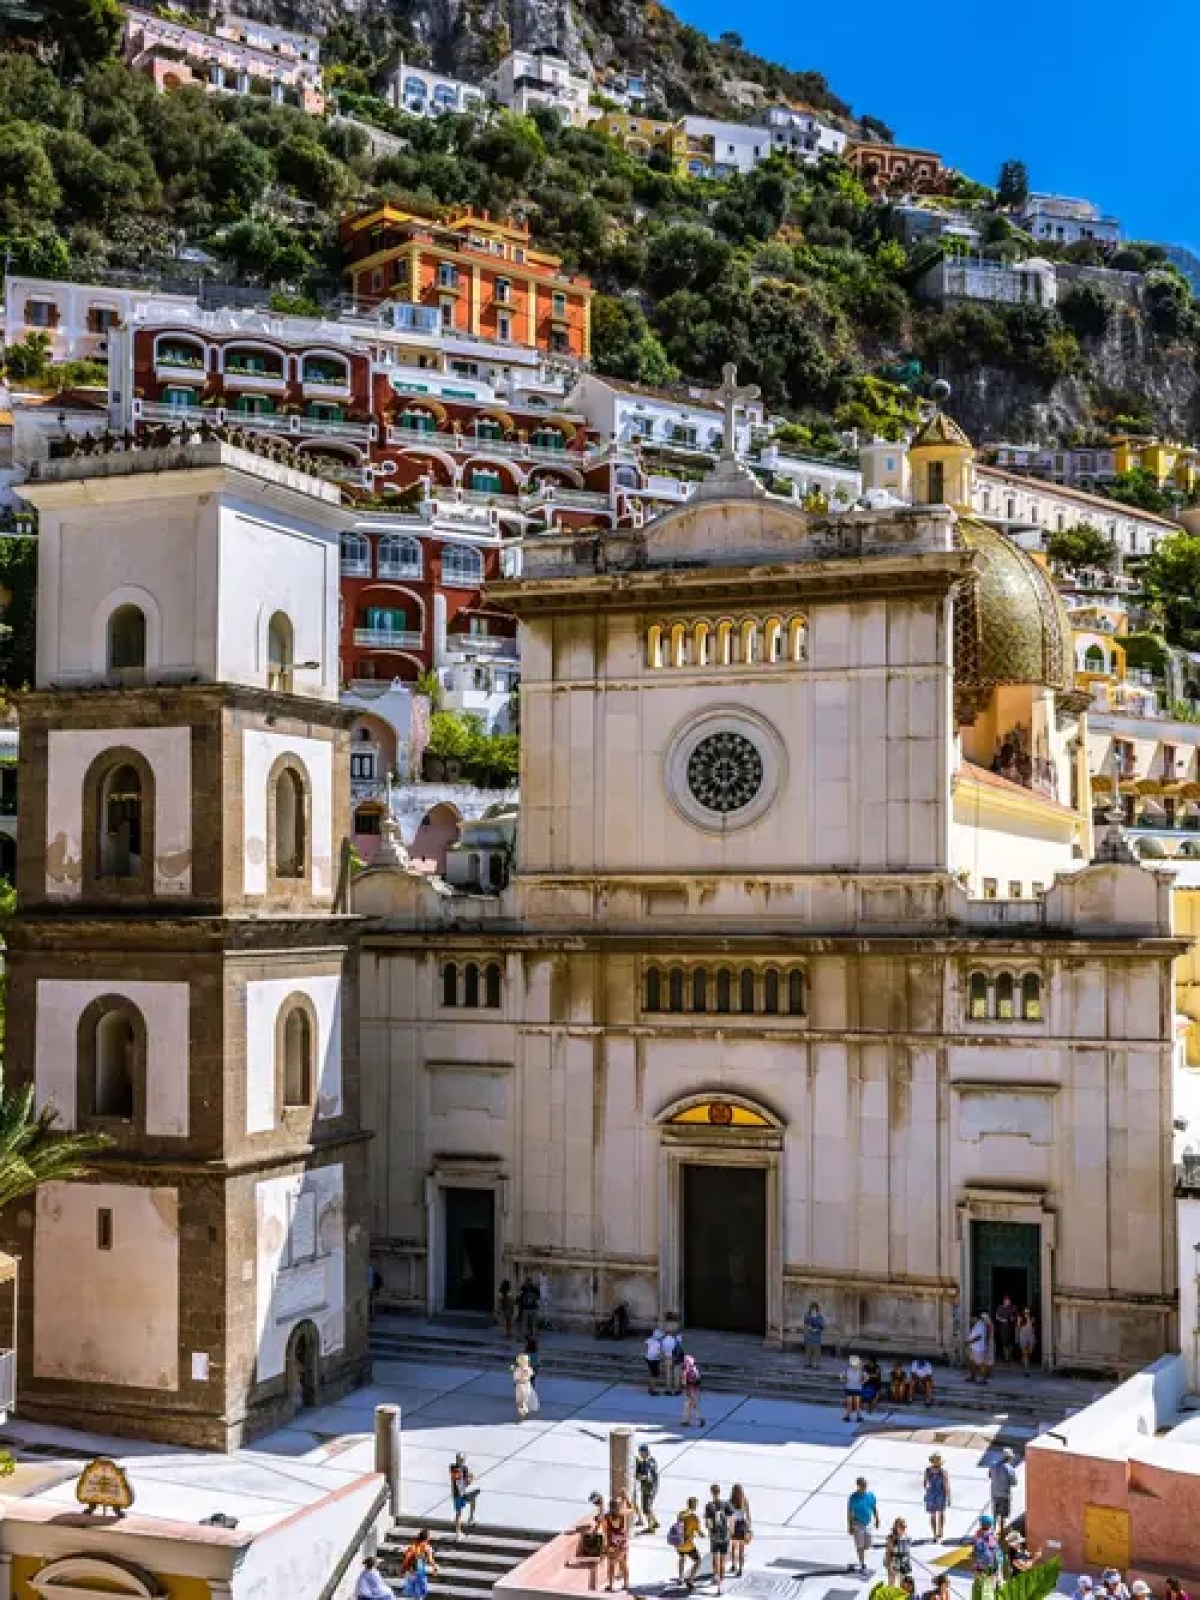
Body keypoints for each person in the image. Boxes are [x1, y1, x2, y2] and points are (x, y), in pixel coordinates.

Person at [846, 1476, 879, 1577]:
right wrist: (850, 1525)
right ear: (858, 1486)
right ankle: (862, 1565)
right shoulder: (853, 1497)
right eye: (862, 1485)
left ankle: (861, 1557)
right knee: (860, 1545)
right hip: (857, 1523)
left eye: (865, 1485)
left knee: (868, 1544)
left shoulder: (870, 1495)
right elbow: (850, 1512)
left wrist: (877, 1518)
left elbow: (874, 1507)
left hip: (868, 1523)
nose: (864, 1487)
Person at [704, 1484, 733, 1597]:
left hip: (715, 1537)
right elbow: (731, 1521)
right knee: (723, 1561)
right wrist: (730, 1533)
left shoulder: (709, 1506)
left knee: (715, 1559)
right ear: (719, 1492)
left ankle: (715, 1577)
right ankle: (721, 1587)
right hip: (725, 1536)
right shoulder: (726, 1504)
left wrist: (710, 1533)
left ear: (711, 1492)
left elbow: (708, 1523)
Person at [670, 1496, 703, 1589]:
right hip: (688, 1545)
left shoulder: (681, 1514)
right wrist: (703, 1535)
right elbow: (698, 1531)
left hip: (679, 1543)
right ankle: (691, 1579)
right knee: (698, 1561)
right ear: (695, 1506)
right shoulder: (694, 1518)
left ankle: (681, 1578)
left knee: (681, 1558)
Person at [399, 1530, 439, 1599]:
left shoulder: (412, 1546)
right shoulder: (427, 1547)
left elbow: (406, 1559)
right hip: (419, 1571)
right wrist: (435, 1567)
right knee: (420, 1593)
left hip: (410, 1572)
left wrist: (402, 1569)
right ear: (427, 1538)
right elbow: (430, 1560)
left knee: (414, 1593)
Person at [989, 1447, 1018, 1539]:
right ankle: (1001, 1533)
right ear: (1009, 1458)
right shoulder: (1010, 1469)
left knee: (995, 1513)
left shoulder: (993, 1465)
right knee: (1003, 1515)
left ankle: (993, 1532)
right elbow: (1014, 1483)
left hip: (994, 1493)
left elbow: (989, 1475)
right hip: (1004, 1494)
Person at [922, 1452, 951, 1543]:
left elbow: (924, 1483)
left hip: (931, 1494)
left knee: (933, 1515)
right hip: (940, 1494)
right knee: (941, 1513)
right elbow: (946, 1486)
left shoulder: (927, 1470)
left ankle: (934, 1534)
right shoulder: (943, 1472)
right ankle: (940, 1531)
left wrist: (928, 1491)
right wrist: (949, 1497)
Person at [603, 1496, 629, 1591]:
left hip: (613, 1544)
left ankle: (610, 1586)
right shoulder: (623, 1514)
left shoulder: (607, 1517)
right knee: (623, 1564)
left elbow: (605, 1530)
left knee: (611, 1565)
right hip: (622, 1543)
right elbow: (631, 1509)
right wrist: (625, 1498)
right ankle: (626, 1585)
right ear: (618, 1507)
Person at [450, 1453, 478, 1540]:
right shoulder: (454, 1468)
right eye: (460, 1460)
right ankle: (458, 1534)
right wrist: (467, 1479)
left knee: (473, 1500)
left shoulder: (465, 1468)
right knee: (459, 1513)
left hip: (464, 1492)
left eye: (462, 1460)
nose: (461, 1461)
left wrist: (470, 1479)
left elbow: (466, 1482)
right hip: (458, 1494)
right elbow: (457, 1481)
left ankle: (471, 1518)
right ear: (457, 1460)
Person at [634, 1442, 660, 1533]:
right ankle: (655, 1522)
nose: (639, 1454)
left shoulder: (646, 1463)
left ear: (644, 1452)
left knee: (645, 1509)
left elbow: (646, 1476)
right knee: (648, 1506)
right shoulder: (652, 1460)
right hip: (654, 1487)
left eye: (640, 1452)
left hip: (648, 1489)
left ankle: (650, 1528)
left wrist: (638, 1477)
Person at [971, 1515, 1002, 1582]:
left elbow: (975, 1549)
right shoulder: (991, 1534)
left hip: (980, 1564)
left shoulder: (978, 1534)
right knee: (990, 1584)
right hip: (990, 1564)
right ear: (989, 1525)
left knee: (978, 1583)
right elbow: (994, 1549)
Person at [729, 1484, 752, 1578]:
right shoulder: (744, 1500)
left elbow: (729, 1516)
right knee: (741, 1550)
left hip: (734, 1525)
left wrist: (730, 1528)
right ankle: (740, 1570)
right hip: (742, 1525)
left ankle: (734, 1565)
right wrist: (748, 1528)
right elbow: (748, 1515)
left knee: (733, 1547)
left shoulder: (731, 1501)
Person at [885, 1518, 913, 1587]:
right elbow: (889, 1552)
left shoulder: (907, 1537)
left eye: (904, 1527)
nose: (903, 1529)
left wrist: (908, 1562)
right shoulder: (891, 1538)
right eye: (901, 1527)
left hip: (904, 1562)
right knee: (891, 1583)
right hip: (894, 1561)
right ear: (896, 1527)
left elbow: (908, 1551)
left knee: (903, 1582)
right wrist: (889, 1564)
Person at [512, 1351, 539, 1421]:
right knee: (525, 1400)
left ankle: (522, 1414)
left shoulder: (517, 1369)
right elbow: (531, 1374)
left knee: (521, 1401)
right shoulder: (528, 1369)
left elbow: (515, 1378)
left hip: (520, 1386)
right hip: (526, 1385)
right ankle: (524, 1413)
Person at [681, 1352, 705, 1427]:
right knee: (689, 1406)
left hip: (690, 1391)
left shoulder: (686, 1371)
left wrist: (687, 1391)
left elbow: (684, 1382)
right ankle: (686, 1421)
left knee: (692, 1406)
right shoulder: (695, 1370)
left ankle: (701, 1419)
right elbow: (699, 1381)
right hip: (696, 1390)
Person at [994, 1295, 1019, 1363]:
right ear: (1004, 1301)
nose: (1008, 1302)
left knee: (1011, 1343)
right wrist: (1002, 1320)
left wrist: (1013, 1319)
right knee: (1005, 1342)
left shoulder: (1013, 1308)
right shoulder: (1000, 1307)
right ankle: (1006, 1357)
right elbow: (997, 1316)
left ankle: (1010, 1355)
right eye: (1007, 1301)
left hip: (1011, 1328)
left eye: (1009, 1301)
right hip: (1003, 1328)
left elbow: (1017, 1316)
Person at [967, 1314, 989, 1383]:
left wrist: (969, 1342)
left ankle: (984, 1379)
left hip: (978, 1348)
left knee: (981, 1364)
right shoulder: (977, 1325)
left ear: (976, 1318)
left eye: (972, 1318)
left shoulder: (980, 1325)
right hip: (974, 1347)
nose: (971, 1320)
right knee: (972, 1362)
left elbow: (979, 1337)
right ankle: (972, 1376)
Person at [843, 1355, 864, 1423]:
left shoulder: (848, 1369)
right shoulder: (859, 1370)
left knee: (851, 1403)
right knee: (855, 1403)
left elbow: (843, 1378)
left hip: (852, 1387)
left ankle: (849, 1417)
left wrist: (846, 1381)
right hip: (855, 1388)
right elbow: (864, 1378)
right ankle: (857, 1417)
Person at [803, 1302, 825, 1369]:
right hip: (809, 1336)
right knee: (808, 1351)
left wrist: (817, 1330)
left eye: (815, 1309)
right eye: (812, 1309)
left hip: (816, 1337)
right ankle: (809, 1363)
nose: (813, 1311)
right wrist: (808, 1328)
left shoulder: (820, 1317)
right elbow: (806, 1324)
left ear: (817, 1310)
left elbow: (822, 1327)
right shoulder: (807, 1316)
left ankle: (817, 1364)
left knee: (817, 1351)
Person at [1017, 1308, 1037, 1374]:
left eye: (1028, 1312)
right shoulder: (1020, 1318)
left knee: (1030, 1351)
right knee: (1025, 1351)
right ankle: (1026, 1368)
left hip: (1031, 1335)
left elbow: (1033, 1326)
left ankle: (1023, 1360)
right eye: (1025, 1312)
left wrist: (1029, 1319)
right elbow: (1018, 1327)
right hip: (1023, 1335)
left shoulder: (1032, 1318)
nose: (1026, 1314)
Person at [645, 1328, 663, 1396]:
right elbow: (658, 1353)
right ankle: (653, 1389)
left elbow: (647, 1346)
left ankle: (650, 1387)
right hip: (654, 1359)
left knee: (652, 1374)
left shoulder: (649, 1340)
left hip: (648, 1358)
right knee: (654, 1375)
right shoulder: (658, 1343)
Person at [661, 1328, 679, 1393]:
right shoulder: (674, 1340)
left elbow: (662, 1350)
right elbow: (677, 1349)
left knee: (668, 1374)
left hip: (667, 1358)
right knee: (676, 1374)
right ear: (671, 1334)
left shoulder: (663, 1341)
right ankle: (676, 1389)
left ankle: (668, 1388)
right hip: (674, 1357)